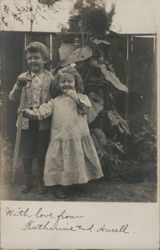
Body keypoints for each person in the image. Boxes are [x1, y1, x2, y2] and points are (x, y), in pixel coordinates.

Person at [23, 65, 104, 199]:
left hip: (77, 136)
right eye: (63, 82)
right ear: (58, 84)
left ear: (76, 83)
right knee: (61, 162)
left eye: (69, 81)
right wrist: (30, 113)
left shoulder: (81, 98)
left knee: (77, 160)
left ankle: (78, 182)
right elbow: (43, 111)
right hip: (61, 137)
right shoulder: (55, 101)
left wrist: (75, 97)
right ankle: (61, 186)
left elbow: (86, 108)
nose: (66, 84)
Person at [9, 41, 55, 194]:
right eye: (30, 58)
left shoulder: (51, 79)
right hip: (26, 122)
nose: (33, 61)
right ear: (27, 60)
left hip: (43, 122)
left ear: (45, 60)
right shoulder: (22, 77)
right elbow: (12, 97)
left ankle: (42, 181)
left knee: (42, 154)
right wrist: (18, 85)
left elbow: (55, 99)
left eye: (37, 58)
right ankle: (29, 181)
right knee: (27, 154)